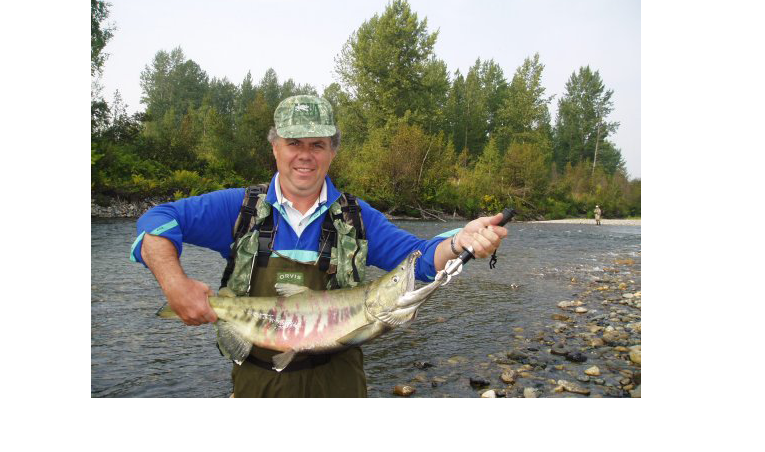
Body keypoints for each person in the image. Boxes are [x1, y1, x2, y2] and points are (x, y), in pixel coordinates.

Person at [130, 95, 509, 397]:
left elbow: (423, 261)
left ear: (333, 151)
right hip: (257, 385)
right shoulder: (238, 209)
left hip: (339, 382)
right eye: (293, 143)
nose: (305, 155)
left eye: (318, 144)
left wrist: (460, 240)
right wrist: (175, 284)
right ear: (275, 148)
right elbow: (157, 222)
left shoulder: (360, 219)